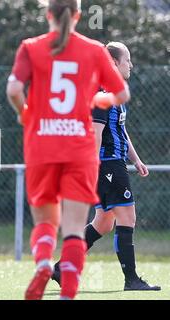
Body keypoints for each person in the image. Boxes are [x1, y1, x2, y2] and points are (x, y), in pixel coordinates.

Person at [6, 0, 130, 300]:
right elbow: (121, 93)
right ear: (77, 15)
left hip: (42, 145)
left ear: (48, 14)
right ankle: (68, 292)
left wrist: (26, 114)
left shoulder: (31, 46)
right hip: (80, 148)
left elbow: (12, 90)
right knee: (74, 229)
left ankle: (45, 262)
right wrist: (98, 101)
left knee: (46, 222)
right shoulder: (94, 50)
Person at [50, 42, 161, 291]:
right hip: (106, 164)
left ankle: (61, 267)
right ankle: (131, 280)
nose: (130, 64)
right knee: (127, 217)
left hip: (113, 162)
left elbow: (120, 129)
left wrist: (135, 159)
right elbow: (95, 134)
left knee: (104, 223)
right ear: (113, 63)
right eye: (127, 60)